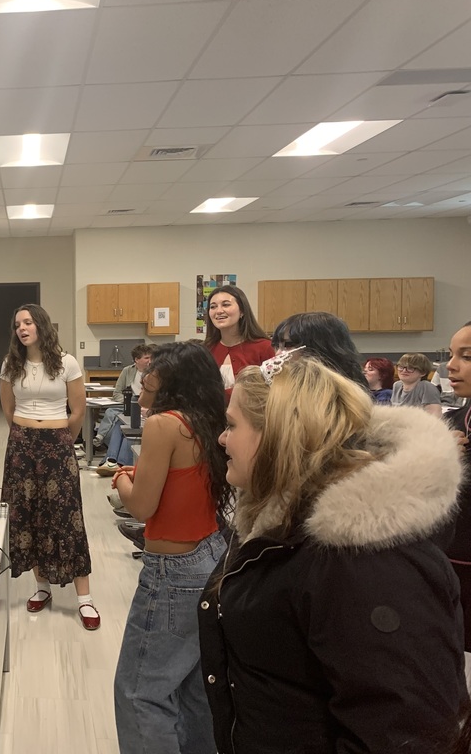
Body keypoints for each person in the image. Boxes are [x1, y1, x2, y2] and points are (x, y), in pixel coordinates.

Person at [200, 355, 466, 752]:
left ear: (278, 434)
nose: (223, 438)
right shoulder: (281, 523)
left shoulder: (364, 563)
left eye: (233, 425)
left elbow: (403, 732)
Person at [110, 342, 232, 754]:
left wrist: (122, 480)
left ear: (170, 385)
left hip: (172, 570)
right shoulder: (209, 421)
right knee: (192, 692)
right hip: (209, 556)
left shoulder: (164, 425)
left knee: (139, 692)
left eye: (148, 385)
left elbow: (143, 506)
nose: (141, 394)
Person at [0, 304, 98, 631]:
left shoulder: (67, 362)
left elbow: (78, 410)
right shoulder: (11, 365)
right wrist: (25, 435)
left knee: (66, 514)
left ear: (41, 324)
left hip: (57, 443)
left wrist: (59, 440)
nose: (22, 328)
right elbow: (8, 408)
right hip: (22, 445)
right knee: (29, 514)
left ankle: (84, 599)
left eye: (27, 322)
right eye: (17, 324)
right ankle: (41, 586)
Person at [443, 320, 471, 651]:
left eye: (466, 356)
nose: (450, 365)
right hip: (451, 563)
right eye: (451, 354)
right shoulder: (452, 422)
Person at [203, 285, 273, 399]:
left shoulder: (265, 347)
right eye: (213, 307)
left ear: (242, 311)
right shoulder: (206, 350)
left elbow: (273, 390)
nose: (219, 311)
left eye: (226, 305)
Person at [94, 344, 154, 476]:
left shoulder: (154, 373)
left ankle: (115, 462)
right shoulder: (128, 371)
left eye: (151, 357)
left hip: (147, 410)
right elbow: (117, 392)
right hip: (130, 404)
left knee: (124, 425)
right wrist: (129, 401)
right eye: (146, 358)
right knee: (116, 418)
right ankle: (112, 461)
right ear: (136, 360)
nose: (149, 361)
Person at [270, 311, 367, 386]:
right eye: (277, 346)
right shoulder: (282, 386)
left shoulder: (347, 395)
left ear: (319, 348)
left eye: (288, 345)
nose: (278, 354)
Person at [391, 351, 443, 417]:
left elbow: (435, 416)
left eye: (410, 368)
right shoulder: (397, 386)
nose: (404, 371)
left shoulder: (426, 387)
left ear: (422, 372)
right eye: (401, 367)